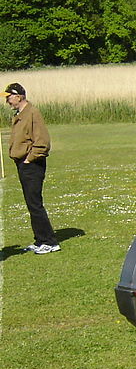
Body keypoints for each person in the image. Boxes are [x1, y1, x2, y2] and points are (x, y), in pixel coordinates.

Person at [6, 83, 60, 253]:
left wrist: (29, 159)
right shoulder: (20, 114)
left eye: (9, 97)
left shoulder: (32, 113)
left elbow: (42, 142)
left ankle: (50, 242)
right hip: (22, 164)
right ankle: (40, 240)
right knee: (31, 203)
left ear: (19, 96)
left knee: (35, 204)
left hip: (32, 165)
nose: (7, 101)